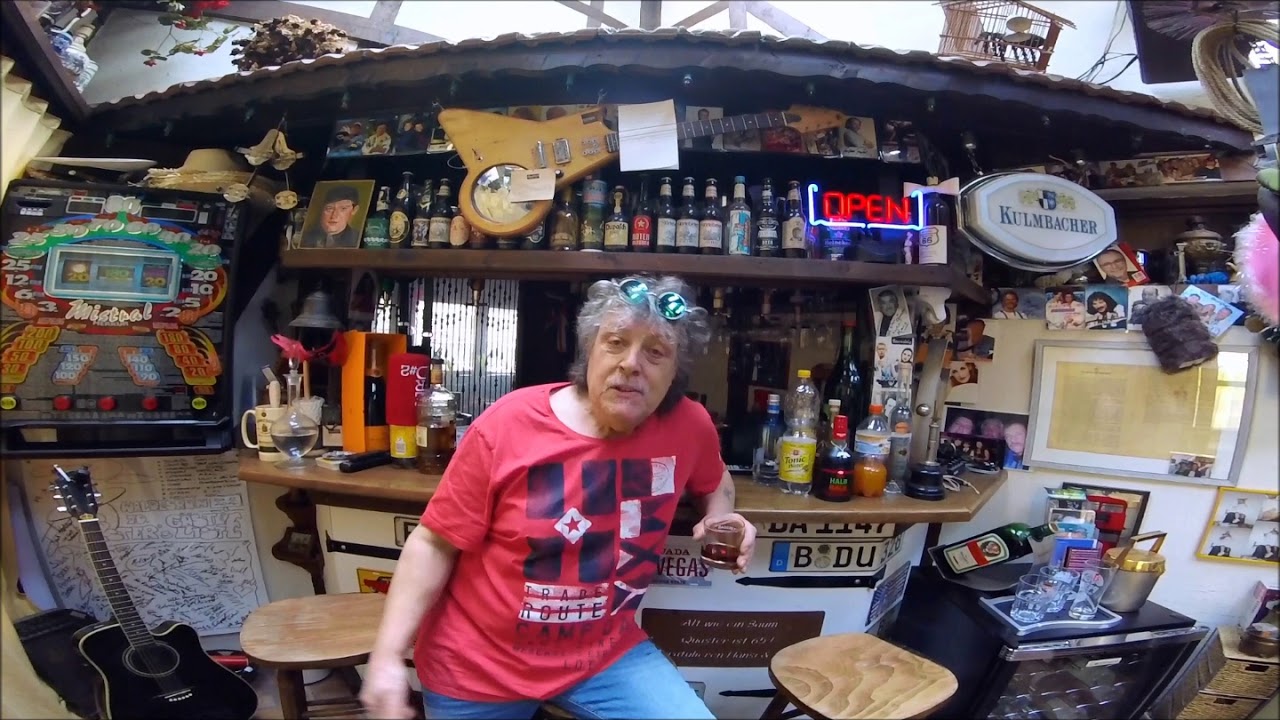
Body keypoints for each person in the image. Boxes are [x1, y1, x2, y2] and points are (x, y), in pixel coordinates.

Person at [360, 275, 754, 720]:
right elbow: (433, 544)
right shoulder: (509, 424)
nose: (631, 364)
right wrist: (387, 655)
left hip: (603, 657)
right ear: (590, 350)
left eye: (656, 352)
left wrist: (722, 517)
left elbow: (716, 479)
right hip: (478, 667)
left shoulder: (689, 425)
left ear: (675, 372)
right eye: (616, 343)